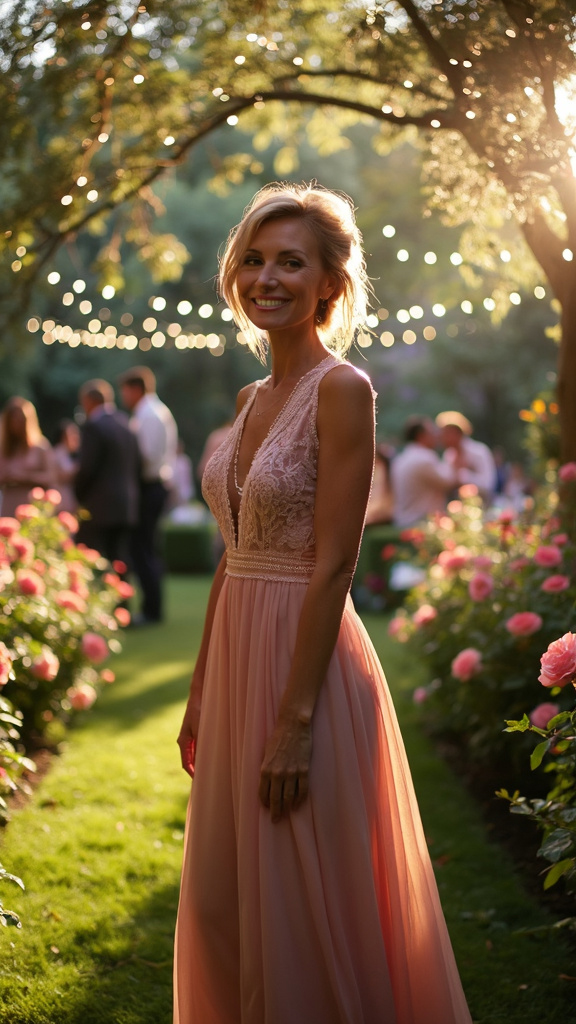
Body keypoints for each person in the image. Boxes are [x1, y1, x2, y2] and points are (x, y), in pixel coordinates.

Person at [174, 182, 472, 1024]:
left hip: (305, 664)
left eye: (291, 263)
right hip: (235, 654)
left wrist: (295, 719)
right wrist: (201, 688)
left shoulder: (343, 390)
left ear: (330, 285)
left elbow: (337, 558)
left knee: (304, 898)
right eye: (255, 261)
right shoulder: (245, 402)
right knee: (222, 898)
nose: (267, 277)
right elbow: (235, 556)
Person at [118, 366, 178, 624]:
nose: (123, 397)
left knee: (143, 550)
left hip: (150, 486)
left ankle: (151, 610)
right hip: (153, 485)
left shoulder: (149, 414)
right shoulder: (152, 411)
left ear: (135, 389)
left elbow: (148, 456)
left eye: (125, 392)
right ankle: (150, 608)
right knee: (144, 549)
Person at [74, 379, 140, 566]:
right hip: (126, 506)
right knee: (119, 560)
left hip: (99, 507)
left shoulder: (93, 427)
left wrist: (79, 495)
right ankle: (123, 596)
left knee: (93, 560)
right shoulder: (127, 424)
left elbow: (87, 468)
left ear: (89, 401)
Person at [390, 415, 459, 526]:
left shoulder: (401, 458)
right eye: (432, 432)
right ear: (421, 436)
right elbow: (448, 482)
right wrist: (453, 456)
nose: (437, 436)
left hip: (403, 521)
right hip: (420, 523)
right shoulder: (424, 457)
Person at [0, 396, 55, 516]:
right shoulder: (4, 448)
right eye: (12, 421)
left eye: (19, 420)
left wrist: (25, 476)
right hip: (9, 504)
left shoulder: (40, 446)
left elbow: (51, 478)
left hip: (32, 506)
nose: (16, 425)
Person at [436, 410, 497, 506]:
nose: (442, 437)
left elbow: (488, 485)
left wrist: (463, 475)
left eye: (446, 433)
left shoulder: (479, 451)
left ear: (457, 433)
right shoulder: (448, 455)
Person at [52, 419, 80, 514]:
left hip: (66, 500)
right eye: (72, 434)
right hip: (62, 501)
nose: (76, 438)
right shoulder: (59, 452)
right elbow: (63, 475)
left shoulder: (66, 454)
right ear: (64, 436)